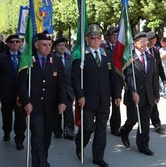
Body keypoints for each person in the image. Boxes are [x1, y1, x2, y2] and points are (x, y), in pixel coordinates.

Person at [72, 24, 121, 167]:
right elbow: (75, 78)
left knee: (101, 131)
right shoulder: (80, 56)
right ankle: (79, 143)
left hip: (104, 100)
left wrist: (117, 94)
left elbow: (114, 78)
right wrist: (79, 95)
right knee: (87, 127)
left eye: (98, 37)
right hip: (87, 100)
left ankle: (98, 157)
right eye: (93, 37)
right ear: (87, 38)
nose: (96, 40)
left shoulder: (107, 55)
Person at [17, 31, 67, 167]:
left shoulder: (55, 60)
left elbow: (62, 83)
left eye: (49, 45)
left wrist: (63, 101)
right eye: (44, 45)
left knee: (46, 137)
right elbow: (21, 84)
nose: (47, 47)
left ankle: (42, 159)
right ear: (36, 45)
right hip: (34, 105)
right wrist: (26, 102)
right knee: (37, 136)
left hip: (51, 106)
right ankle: (39, 163)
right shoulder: (28, 60)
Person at [120, 32, 159, 156]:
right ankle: (124, 132)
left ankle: (143, 145)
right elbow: (129, 76)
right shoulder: (129, 58)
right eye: (141, 42)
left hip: (148, 95)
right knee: (132, 119)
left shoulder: (150, 56)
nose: (144, 44)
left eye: (146, 41)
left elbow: (154, 77)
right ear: (135, 43)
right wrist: (133, 91)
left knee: (145, 121)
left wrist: (156, 94)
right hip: (134, 95)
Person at [0, 34, 26, 150]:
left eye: (17, 42)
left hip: (20, 94)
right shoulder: (1, 57)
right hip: (6, 92)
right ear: (8, 44)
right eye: (12, 42)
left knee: (20, 118)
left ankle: (19, 139)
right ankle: (7, 131)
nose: (15, 44)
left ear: (20, 44)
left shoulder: (24, 58)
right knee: (7, 116)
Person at [52, 37, 76, 140]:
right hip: (55, 90)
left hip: (68, 89)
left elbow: (74, 74)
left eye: (63, 45)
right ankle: (57, 131)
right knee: (56, 112)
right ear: (55, 47)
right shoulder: (51, 58)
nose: (62, 47)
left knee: (69, 111)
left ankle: (69, 131)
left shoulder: (69, 58)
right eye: (59, 45)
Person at [102, 26, 123, 137]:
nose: (115, 37)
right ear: (108, 36)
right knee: (104, 104)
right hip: (105, 79)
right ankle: (101, 124)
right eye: (113, 35)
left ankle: (116, 127)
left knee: (117, 102)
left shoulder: (121, 48)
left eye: (116, 35)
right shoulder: (103, 47)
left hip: (117, 79)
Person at [147, 31, 166, 134]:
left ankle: (157, 124)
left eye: (155, 40)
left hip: (154, 80)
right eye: (152, 40)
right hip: (145, 81)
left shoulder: (155, 51)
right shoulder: (143, 51)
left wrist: (163, 78)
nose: (154, 42)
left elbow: (159, 66)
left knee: (154, 101)